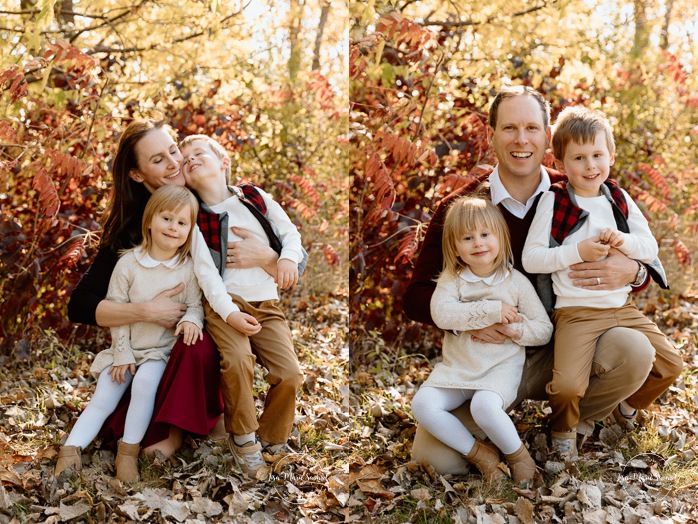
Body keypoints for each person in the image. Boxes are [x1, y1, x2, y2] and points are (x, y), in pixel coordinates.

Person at [404, 86, 669, 475]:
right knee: (438, 461)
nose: (521, 139)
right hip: (487, 360)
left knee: (635, 350)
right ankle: (494, 435)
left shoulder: (579, 187)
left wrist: (634, 272)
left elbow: (642, 253)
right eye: (509, 127)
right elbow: (415, 297)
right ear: (491, 133)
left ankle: (573, 423)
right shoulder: (463, 209)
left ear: (548, 136)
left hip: (564, 343)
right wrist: (480, 316)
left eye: (532, 127)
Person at [66, 119, 279, 460]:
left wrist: (269, 258)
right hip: (156, 341)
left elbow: (291, 258)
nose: (174, 163)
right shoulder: (134, 229)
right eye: (158, 160)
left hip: (223, 318)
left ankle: (182, 430)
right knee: (180, 348)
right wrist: (146, 310)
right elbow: (79, 305)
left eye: (174, 151)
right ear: (138, 175)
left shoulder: (212, 195)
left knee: (198, 339)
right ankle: (176, 426)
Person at [521, 106, 683, 458]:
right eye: (579, 158)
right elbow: (531, 258)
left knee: (670, 365)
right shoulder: (556, 201)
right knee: (566, 387)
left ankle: (625, 408)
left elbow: (649, 247)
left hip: (620, 308)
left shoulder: (618, 200)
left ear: (610, 154)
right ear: (561, 162)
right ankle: (563, 431)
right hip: (576, 313)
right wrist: (576, 251)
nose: (590, 165)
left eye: (597, 154)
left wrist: (623, 244)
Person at [55, 185, 203, 482]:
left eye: (182, 223)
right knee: (104, 395)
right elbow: (117, 312)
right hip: (126, 348)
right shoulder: (128, 263)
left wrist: (192, 321)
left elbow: (195, 305)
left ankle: (128, 453)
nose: (173, 227)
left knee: (145, 383)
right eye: (167, 218)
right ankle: (70, 451)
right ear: (149, 220)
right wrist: (121, 353)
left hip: (159, 351)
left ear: (190, 231)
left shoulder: (187, 268)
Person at [179, 134, 305, 479]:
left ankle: (272, 437)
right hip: (224, 305)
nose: (190, 158)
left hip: (266, 302)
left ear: (224, 162)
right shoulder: (195, 217)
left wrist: (286, 260)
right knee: (237, 361)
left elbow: (289, 232)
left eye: (198, 152)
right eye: (184, 158)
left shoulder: (253, 197)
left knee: (290, 374)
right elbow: (206, 275)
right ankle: (244, 438)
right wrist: (230, 313)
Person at [411, 196, 552, 482]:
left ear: (500, 238)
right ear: (454, 246)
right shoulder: (452, 279)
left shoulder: (515, 283)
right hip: (459, 369)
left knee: (483, 406)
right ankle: (480, 454)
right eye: (467, 237)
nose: (478, 243)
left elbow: (543, 329)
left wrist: (515, 331)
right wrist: (492, 310)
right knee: (423, 404)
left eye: (485, 234)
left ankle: (518, 457)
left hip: (498, 370)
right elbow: (442, 314)